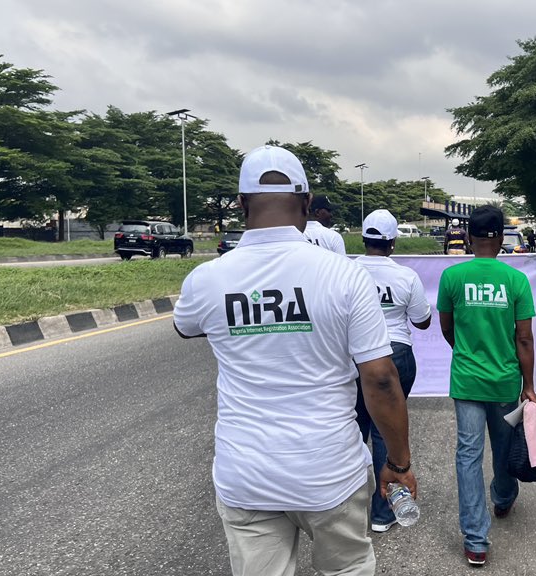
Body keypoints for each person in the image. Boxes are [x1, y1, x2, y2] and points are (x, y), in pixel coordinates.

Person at [172, 145, 417, 576]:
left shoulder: (207, 280)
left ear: (242, 203)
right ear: (307, 204)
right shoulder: (344, 275)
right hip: (329, 472)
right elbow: (380, 380)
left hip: (246, 474)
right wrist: (398, 463)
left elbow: (186, 326)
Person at [437, 205, 536, 567]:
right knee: (504, 444)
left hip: (466, 380)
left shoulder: (453, 277)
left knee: (468, 454)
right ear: (499, 238)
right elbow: (524, 339)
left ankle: (476, 541)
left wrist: (464, 353)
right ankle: (503, 495)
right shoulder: (515, 281)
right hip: (505, 380)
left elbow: (446, 327)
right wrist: (529, 385)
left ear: (468, 238)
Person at [353, 209, 432, 534]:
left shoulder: (346, 270)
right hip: (396, 354)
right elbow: (422, 320)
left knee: (352, 430)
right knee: (388, 430)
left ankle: (348, 512)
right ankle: (384, 512)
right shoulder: (405, 276)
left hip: (354, 355)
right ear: (393, 243)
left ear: (363, 239)